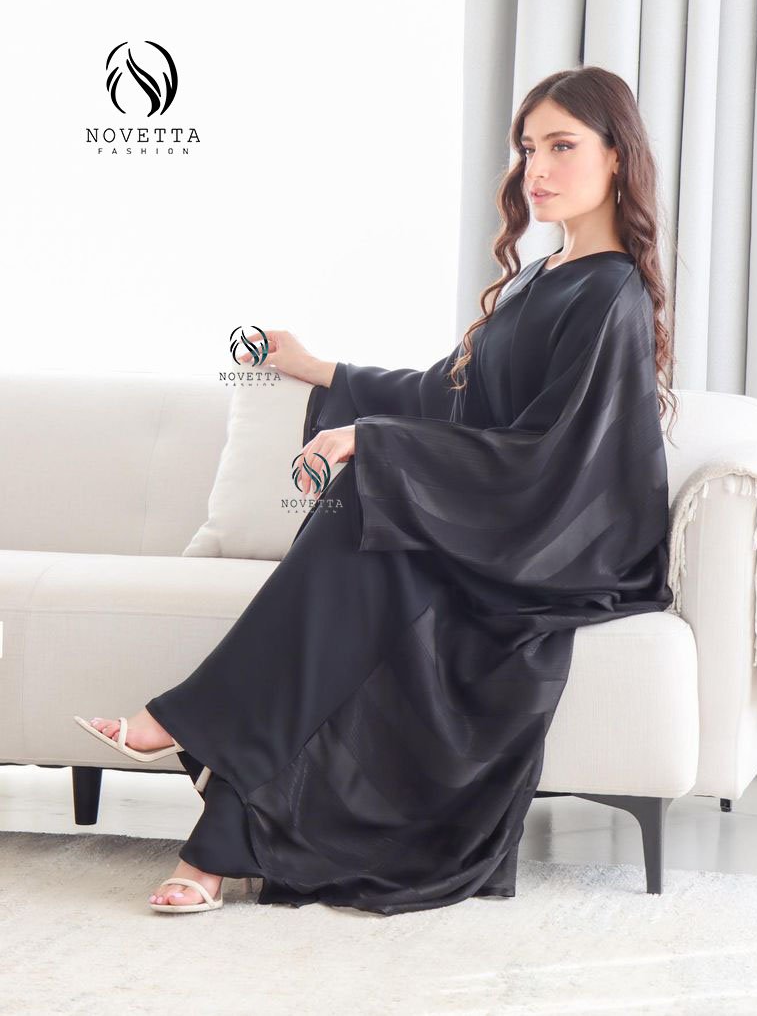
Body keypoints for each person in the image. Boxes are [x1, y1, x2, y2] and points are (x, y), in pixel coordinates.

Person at [77, 65, 677, 914]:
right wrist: (322, 370)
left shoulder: (610, 292)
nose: (536, 169)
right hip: (499, 518)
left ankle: (190, 739)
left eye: (561, 146)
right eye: (527, 148)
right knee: (363, 544)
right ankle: (208, 841)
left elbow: (557, 458)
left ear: (617, 156)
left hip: (557, 542)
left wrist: (372, 439)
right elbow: (453, 395)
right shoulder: (540, 277)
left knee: (369, 494)